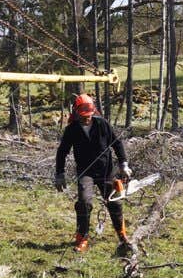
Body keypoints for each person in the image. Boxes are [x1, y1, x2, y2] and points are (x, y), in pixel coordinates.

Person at [54, 94, 132, 252]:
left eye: (88, 116)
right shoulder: (72, 129)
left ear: (93, 112)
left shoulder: (102, 124)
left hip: (107, 171)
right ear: (76, 113)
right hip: (85, 172)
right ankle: (82, 238)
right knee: (84, 202)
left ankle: (122, 235)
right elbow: (62, 152)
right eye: (83, 117)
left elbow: (117, 144)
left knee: (115, 203)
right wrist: (59, 174)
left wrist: (124, 164)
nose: (86, 119)